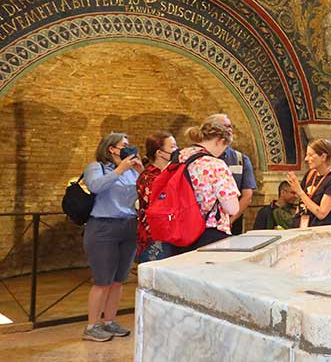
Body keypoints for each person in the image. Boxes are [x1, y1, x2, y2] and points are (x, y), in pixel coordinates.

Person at [82, 132, 143, 342]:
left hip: (129, 225)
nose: (129, 148)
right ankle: (91, 326)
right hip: (103, 227)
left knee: (118, 280)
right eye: (124, 145)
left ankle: (109, 321)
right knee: (103, 280)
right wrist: (119, 170)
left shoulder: (131, 171)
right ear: (111, 149)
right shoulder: (96, 167)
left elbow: (147, 191)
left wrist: (140, 171)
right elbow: (95, 186)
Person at [170, 117, 242, 253]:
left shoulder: (178, 158)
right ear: (219, 141)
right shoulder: (215, 164)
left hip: (178, 230)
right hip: (209, 232)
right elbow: (232, 208)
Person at [205, 113, 256, 236]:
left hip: (232, 221)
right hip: (202, 222)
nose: (228, 129)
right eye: (224, 126)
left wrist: (230, 220)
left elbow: (247, 195)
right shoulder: (200, 158)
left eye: (230, 126)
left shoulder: (240, 159)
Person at [135, 131, 178, 263]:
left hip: (173, 233)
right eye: (172, 147)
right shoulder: (148, 177)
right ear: (159, 152)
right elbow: (159, 205)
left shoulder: (172, 173)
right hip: (154, 235)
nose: (176, 150)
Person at [286, 138, 331, 227]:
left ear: (323, 157)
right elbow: (301, 203)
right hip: (301, 227)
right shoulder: (310, 174)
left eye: (310, 155)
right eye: (306, 155)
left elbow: (322, 214)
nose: (306, 159)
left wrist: (300, 192)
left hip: (318, 230)